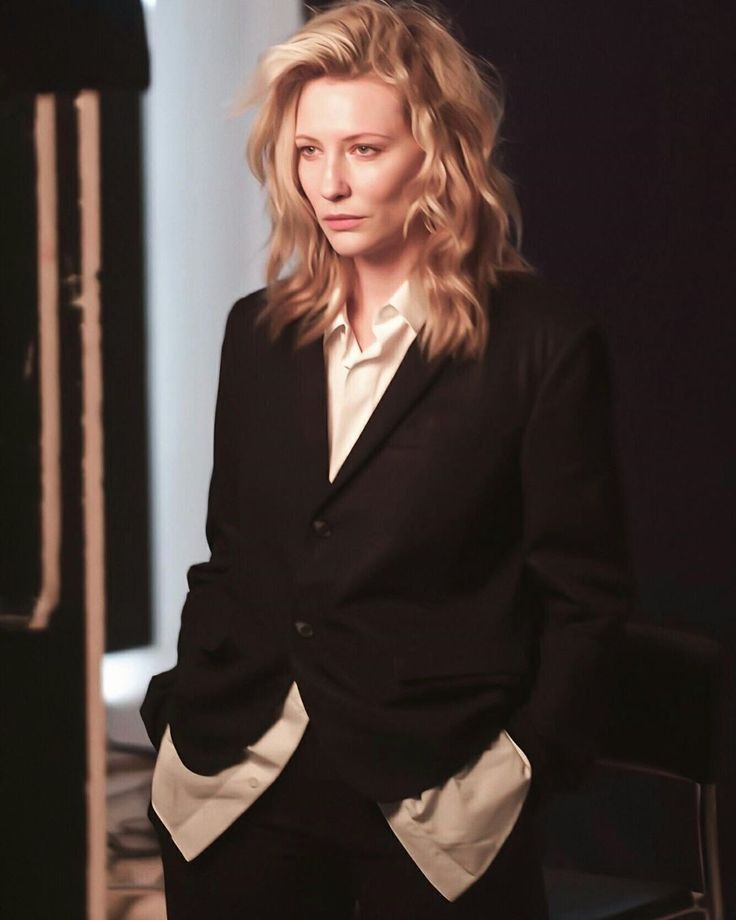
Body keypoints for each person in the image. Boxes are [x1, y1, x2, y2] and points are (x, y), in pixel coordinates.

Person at [141, 1, 635, 917]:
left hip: (433, 802)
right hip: (233, 783)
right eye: (307, 151)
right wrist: (177, 715)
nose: (329, 183)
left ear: (437, 157)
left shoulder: (542, 343)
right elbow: (233, 556)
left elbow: (584, 599)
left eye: (364, 150)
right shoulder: (258, 332)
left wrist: (515, 770)